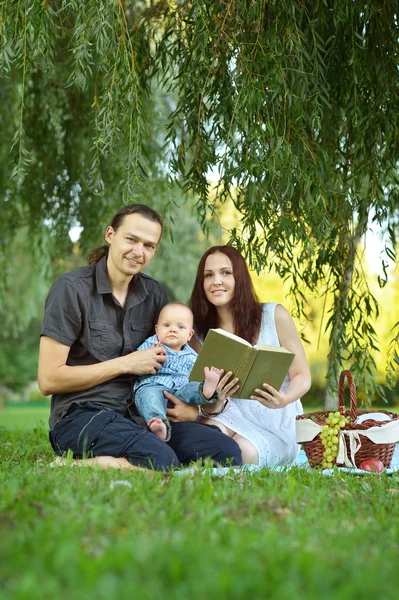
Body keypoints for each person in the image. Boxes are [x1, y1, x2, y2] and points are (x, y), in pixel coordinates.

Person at [38, 205, 242, 471]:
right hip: (82, 416)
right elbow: (48, 380)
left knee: (226, 452)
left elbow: (176, 357)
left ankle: (135, 457)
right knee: (159, 458)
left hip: (139, 416)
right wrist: (126, 363)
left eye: (149, 245)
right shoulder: (71, 289)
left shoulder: (154, 295)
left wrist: (195, 405)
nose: (138, 252)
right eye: (131, 239)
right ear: (110, 235)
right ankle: (71, 465)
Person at [165, 245, 311, 466]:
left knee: (242, 455)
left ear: (239, 278)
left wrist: (284, 399)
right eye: (208, 275)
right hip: (226, 414)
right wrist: (215, 399)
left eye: (226, 273)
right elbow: (205, 400)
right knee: (209, 444)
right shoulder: (197, 333)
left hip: (274, 419)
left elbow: (302, 376)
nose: (216, 281)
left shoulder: (274, 315)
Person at [134, 302, 221, 441]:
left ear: (189, 335)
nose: (173, 330)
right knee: (149, 396)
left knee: (191, 388)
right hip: (154, 385)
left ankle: (205, 390)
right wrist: (149, 355)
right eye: (167, 325)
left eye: (180, 327)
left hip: (180, 391)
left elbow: (193, 377)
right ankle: (158, 423)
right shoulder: (151, 344)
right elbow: (136, 363)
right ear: (157, 330)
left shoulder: (193, 357)